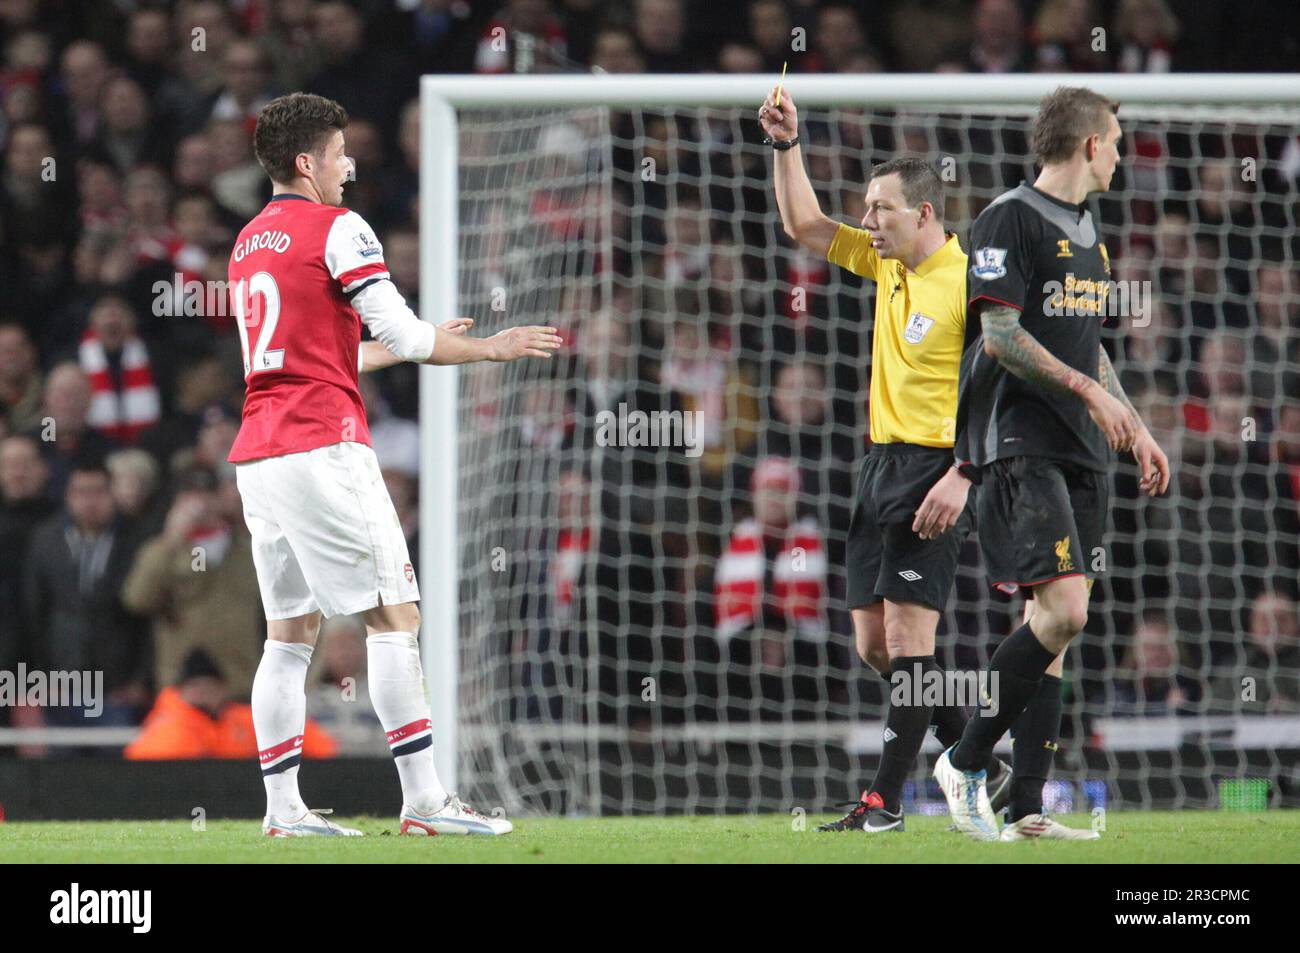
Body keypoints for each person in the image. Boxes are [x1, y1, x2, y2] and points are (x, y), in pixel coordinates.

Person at [230, 93, 561, 837]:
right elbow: (406, 339)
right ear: (306, 162)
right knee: (394, 615)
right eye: (341, 153)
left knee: (288, 633)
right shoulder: (340, 228)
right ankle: (425, 801)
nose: (349, 166)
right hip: (322, 442)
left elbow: (328, 350)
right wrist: (486, 347)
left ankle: (283, 811)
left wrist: (416, 337)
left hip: (259, 451)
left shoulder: (250, 240)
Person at [758, 86, 1007, 833]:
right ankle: (974, 749)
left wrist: (965, 475)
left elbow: (1001, 388)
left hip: (938, 468)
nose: (868, 222)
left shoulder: (970, 282)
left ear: (925, 212)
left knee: (908, 638)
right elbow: (804, 223)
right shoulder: (888, 263)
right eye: (866, 209)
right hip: (878, 466)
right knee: (876, 646)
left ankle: (883, 802)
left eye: (881, 209)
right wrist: (785, 143)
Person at [937, 86, 1170, 841]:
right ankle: (965, 759)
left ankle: (1028, 804)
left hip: (1083, 443)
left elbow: (1087, 343)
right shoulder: (1008, 216)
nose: (1123, 154)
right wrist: (1085, 395)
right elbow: (1000, 334)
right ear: (1090, 145)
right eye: (1119, 139)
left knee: (1053, 624)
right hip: (1021, 440)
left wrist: (1130, 419)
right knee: (1067, 609)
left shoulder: (1089, 231)